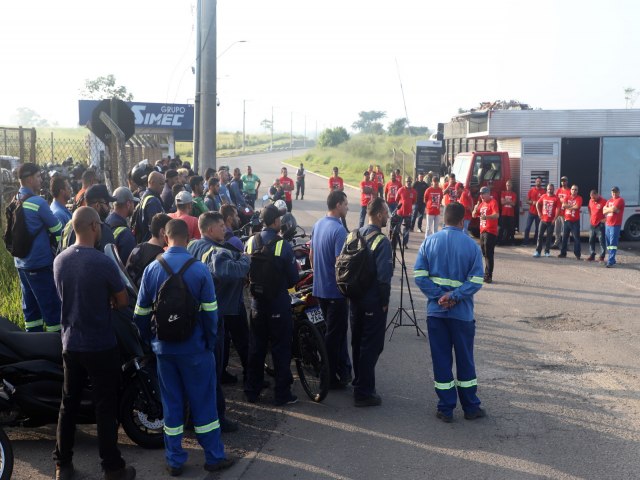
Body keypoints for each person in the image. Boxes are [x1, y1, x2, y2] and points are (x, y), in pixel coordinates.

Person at [134, 219, 234, 475]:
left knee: (172, 404)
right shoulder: (199, 270)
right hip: (196, 349)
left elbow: (140, 314)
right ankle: (213, 457)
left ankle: (175, 460)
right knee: (204, 404)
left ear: (165, 238)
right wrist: (209, 343)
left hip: (165, 351)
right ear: (187, 238)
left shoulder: (151, 270)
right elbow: (212, 314)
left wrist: (150, 343)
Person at [53, 207, 135, 480]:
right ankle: (112, 468)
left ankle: (62, 465)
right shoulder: (102, 262)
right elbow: (123, 300)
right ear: (92, 227)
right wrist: (109, 300)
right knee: (105, 406)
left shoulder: (60, 261)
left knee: (68, 403)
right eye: (99, 224)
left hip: (71, 343)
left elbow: (64, 296)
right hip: (100, 344)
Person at [414, 202, 485, 423]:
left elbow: (419, 275)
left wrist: (438, 296)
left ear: (444, 218)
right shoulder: (472, 246)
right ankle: (471, 407)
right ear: (462, 221)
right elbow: (476, 280)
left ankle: (445, 408)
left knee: (441, 360)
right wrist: (454, 296)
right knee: (465, 360)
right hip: (462, 315)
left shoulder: (429, 242)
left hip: (436, 313)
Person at [188, 211, 250, 432]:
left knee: (198, 372)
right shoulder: (217, 251)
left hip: (194, 318)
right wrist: (246, 258)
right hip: (212, 318)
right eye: (222, 226)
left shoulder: (193, 246)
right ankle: (218, 418)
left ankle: (191, 417)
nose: (225, 229)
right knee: (212, 369)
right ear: (210, 229)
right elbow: (229, 270)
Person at [244, 205, 299, 405]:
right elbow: (293, 278)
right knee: (281, 349)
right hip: (278, 305)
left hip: (257, 304)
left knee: (256, 348)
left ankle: (252, 390)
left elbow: (245, 270)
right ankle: (282, 394)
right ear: (276, 222)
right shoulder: (282, 245)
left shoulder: (251, 241)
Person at [349, 197, 392, 407]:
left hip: (354, 299)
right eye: (386, 212)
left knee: (357, 342)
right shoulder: (382, 242)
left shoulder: (353, 234)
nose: (388, 216)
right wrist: (384, 302)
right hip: (373, 302)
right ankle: (364, 392)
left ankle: (359, 380)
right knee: (371, 346)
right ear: (377, 214)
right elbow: (384, 277)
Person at [12, 163, 62, 332]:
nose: (41, 180)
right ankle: (56, 348)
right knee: (52, 309)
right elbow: (58, 231)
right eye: (39, 176)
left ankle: (32, 345)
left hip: (21, 264)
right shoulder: (38, 202)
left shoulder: (15, 200)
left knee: (31, 311)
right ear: (30, 178)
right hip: (39, 264)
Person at [310, 191, 351, 389]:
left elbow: (311, 255)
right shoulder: (340, 231)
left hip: (320, 289)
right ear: (337, 205)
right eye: (345, 204)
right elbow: (340, 265)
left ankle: (343, 372)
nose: (347, 208)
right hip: (335, 293)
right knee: (334, 337)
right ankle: (327, 377)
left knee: (334, 332)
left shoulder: (318, 225)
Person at [59, 184, 116, 253]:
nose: (109, 208)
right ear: (97, 205)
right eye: (107, 203)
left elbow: (59, 253)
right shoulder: (102, 229)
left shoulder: (69, 225)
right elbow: (109, 261)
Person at [126, 213, 171, 288]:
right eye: (170, 231)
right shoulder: (161, 257)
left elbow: (126, 271)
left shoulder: (137, 247)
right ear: (163, 232)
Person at [472, 186, 499, 283]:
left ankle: (488, 276)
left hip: (490, 231)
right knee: (484, 253)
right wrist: (475, 210)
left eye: (483, 193)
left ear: (488, 193)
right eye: (480, 194)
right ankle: (486, 273)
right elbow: (474, 215)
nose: (481, 195)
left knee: (489, 253)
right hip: (482, 231)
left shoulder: (493, 202)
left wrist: (486, 217)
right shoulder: (482, 203)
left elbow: (496, 215)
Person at [105, 187, 137, 263]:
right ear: (128, 204)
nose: (134, 206)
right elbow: (129, 266)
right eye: (133, 203)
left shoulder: (107, 220)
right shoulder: (125, 234)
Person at [533, 184, 561, 258]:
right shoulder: (543, 196)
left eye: (551, 189)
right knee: (539, 236)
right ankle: (538, 252)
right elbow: (537, 204)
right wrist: (539, 212)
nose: (550, 190)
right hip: (543, 220)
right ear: (547, 189)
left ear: (553, 189)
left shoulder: (556, 198)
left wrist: (554, 219)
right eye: (548, 189)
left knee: (549, 237)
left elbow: (558, 209)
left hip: (551, 221)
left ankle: (547, 251)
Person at [137, 171, 166, 242]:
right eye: (161, 184)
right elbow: (156, 227)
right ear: (152, 183)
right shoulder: (152, 201)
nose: (163, 187)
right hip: (152, 242)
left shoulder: (146, 196)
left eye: (164, 184)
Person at [603, 186, 625, 268]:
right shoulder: (609, 200)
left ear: (618, 192)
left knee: (613, 243)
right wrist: (611, 209)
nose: (614, 193)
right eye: (613, 192)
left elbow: (612, 209)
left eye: (615, 192)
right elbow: (603, 211)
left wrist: (610, 209)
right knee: (608, 243)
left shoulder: (620, 200)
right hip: (608, 224)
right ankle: (612, 259)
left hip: (615, 225)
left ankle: (610, 261)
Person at [558, 185, 583, 260]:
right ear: (570, 190)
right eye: (572, 189)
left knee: (576, 238)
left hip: (575, 221)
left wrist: (569, 206)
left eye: (575, 189)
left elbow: (577, 207)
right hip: (567, 220)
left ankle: (577, 254)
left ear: (577, 191)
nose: (574, 191)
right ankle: (563, 253)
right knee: (564, 238)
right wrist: (572, 206)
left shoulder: (579, 198)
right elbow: (563, 205)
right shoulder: (567, 197)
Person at [395, 176, 417, 249]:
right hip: (400, 212)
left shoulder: (414, 191)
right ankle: (395, 243)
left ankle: (404, 243)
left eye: (410, 182)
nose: (409, 183)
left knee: (406, 229)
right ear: (405, 182)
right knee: (397, 228)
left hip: (408, 213)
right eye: (407, 181)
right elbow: (396, 199)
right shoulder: (400, 190)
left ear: (411, 182)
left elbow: (414, 201)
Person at [523, 177, 545, 246]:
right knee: (527, 228)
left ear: (541, 182)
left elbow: (545, 202)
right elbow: (526, 200)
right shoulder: (531, 190)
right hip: (531, 212)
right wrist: (532, 202)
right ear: (535, 182)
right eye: (537, 181)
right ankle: (526, 242)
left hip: (539, 213)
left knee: (538, 229)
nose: (538, 182)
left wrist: (539, 203)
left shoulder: (544, 192)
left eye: (539, 181)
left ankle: (535, 242)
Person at [587, 189, 607, 262]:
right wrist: (590, 216)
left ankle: (602, 256)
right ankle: (592, 255)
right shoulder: (591, 201)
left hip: (600, 224)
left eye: (594, 198)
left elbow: (608, 211)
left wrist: (606, 219)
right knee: (591, 240)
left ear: (597, 194)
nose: (593, 199)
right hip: (592, 224)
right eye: (591, 198)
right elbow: (589, 208)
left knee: (601, 240)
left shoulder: (604, 201)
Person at [553, 176, 571, 248]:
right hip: (558, 214)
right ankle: (556, 243)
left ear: (567, 181)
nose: (563, 182)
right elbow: (555, 199)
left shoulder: (569, 191)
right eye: (562, 181)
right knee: (557, 230)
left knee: (566, 230)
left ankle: (566, 244)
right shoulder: (558, 190)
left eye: (564, 181)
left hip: (565, 214)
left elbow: (570, 201)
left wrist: (562, 200)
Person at [498, 180, 517, 245]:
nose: (508, 186)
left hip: (511, 214)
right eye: (507, 185)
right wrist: (509, 201)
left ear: (511, 186)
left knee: (511, 229)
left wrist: (506, 201)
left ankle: (512, 241)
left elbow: (514, 204)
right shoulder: (503, 193)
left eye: (509, 185)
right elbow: (502, 202)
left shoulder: (514, 194)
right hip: (504, 214)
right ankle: (499, 241)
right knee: (501, 228)